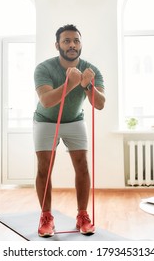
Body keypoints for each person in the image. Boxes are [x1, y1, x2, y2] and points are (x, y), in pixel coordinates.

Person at [33, 24, 105, 237]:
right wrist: (71, 83)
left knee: (82, 165)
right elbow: (46, 101)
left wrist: (88, 85)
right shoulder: (44, 68)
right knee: (44, 168)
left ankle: (82, 215)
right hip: (46, 120)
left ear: (80, 44)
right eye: (66, 41)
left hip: (74, 120)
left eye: (76, 40)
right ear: (57, 45)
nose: (72, 45)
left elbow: (99, 104)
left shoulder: (91, 70)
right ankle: (46, 216)